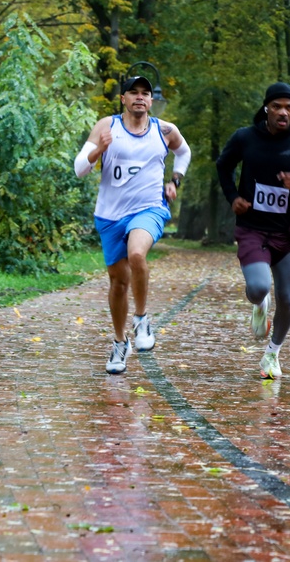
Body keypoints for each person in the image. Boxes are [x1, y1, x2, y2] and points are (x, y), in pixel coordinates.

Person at [74, 76, 191, 375]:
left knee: (137, 254)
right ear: (123, 99)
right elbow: (79, 169)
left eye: (145, 93)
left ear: (151, 101)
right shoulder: (106, 127)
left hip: (149, 208)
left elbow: (184, 152)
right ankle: (118, 342)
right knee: (118, 282)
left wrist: (174, 180)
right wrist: (98, 150)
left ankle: (141, 319)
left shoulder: (164, 130)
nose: (140, 97)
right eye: (133, 93)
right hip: (110, 215)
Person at [216, 82, 290, 379]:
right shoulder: (245, 138)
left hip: (286, 232)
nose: (283, 112)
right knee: (259, 288)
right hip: (252, 228)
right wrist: (233, 197)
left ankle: (272, 354)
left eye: (289, 107)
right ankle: (260, 304)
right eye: (277, 106)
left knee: (288, 298)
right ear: (266, 108)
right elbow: (223, 166)